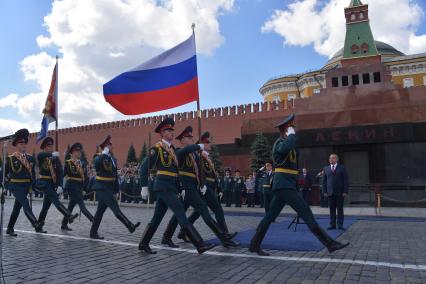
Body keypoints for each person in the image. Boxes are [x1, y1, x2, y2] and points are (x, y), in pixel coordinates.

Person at [249, 114, 349, 256]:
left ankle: (254, 244)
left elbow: (292, 159)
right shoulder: (279, 143)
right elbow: (284, 149)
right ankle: (330, 244)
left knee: (269, 217)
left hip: (286, 185)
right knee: (306, 213)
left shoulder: (289, 143)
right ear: (286, 129)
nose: (294, 129)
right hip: (284, 185)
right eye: (291, 127)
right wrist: (290, 135)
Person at [138, 118, 215, 255]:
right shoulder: (158, 149)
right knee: (180, 211)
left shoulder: (172, 150)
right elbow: (144, 167)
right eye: (168, 130)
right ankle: (199, 244)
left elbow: (176, 171)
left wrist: (181, 188)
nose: (171, 133)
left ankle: (143, 243)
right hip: (163, 186)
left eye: (172, 130)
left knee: (157, 218)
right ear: (161, 133)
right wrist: (144, 186)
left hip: (171, 187)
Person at [160, 126, 238, 248]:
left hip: (194, 187)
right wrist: (198, 146)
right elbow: (185, 152)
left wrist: (203, 184)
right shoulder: (180, 152)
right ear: (182, 140)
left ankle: (167, 236)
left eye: (192, 137)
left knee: (180, 213)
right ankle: (223, 236)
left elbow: (200, 172)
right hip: (186, 187)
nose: (191, 139)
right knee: (201, 210)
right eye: (188, 137)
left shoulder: (194, 156)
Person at [179, 132, 238, 241]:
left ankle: (183, 231)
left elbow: (213, 175)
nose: (209, 144)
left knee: (199, 212)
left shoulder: (206, 157)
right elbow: (200, 173)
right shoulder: (199, 156)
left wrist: (219, 187)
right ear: (202, 144)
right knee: (216, 209)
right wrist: (203, 185)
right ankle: (224, 235)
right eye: (207, 143)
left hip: (209, 187)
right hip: (204, 187)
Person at [90, 135, 140, 239]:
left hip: (109, 187)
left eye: (111, 144)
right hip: (101, 187)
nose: (112, 146)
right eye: (109, 144)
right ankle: (129, 225)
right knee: (115, 207)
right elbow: (97, 164)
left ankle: (93, 233)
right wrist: (103, 154)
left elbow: (115, 176)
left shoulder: (112, 158)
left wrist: (116, 189)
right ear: (105, 146)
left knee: (100, 212)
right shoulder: (99, 156)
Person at [4, 129, 44, 236]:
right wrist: (7, 186)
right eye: (21, 143)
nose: (24, 144)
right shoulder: (11, 159)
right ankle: (35, 223)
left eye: (25, 142)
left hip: (26, 187)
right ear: (16, 144)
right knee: (26, 204)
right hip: (15, 186)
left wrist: (33, 185)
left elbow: (33, 174)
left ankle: (10, 228)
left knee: (17, 208)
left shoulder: (30, 158)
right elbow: (2, 174)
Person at [37, 137, 79, 233]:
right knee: (55, 200)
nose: (51, 147)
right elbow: (41, 155)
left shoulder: (55, 158)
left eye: (52, 146)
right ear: (44, 147)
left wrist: (60, 185)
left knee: (45, 207)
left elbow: (60, 172)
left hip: (52, 184)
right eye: (49, 146)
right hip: (44, 183)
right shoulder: (42, 156)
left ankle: (39, 225)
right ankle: (68, 215)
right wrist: (51, 154)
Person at [61, 143, 94, 231]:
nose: (79, 153)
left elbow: (85, 177)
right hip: (71, 186)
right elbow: (63, 175)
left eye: (79, 151)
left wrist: (84, 189)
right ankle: (92, 219)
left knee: (71, 206)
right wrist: (61, 186)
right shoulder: (68, 163)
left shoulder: (82, 164)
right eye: (76, 151)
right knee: (82, 205)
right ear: (72, 153)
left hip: (79, 187)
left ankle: (64, 224)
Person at [323, 154, 349, 230]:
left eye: (333, 158)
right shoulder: (326, 168)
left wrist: (345, 191)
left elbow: (345, 181)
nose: (331, 159)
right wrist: (324, 191)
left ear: (337, 159)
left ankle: (340, 225)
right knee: (332, 209)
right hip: (330, 193)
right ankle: (332, 224)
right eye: (330, 158)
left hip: (340, 192)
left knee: (340, 209)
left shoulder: (342, 168)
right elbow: (324, 181)